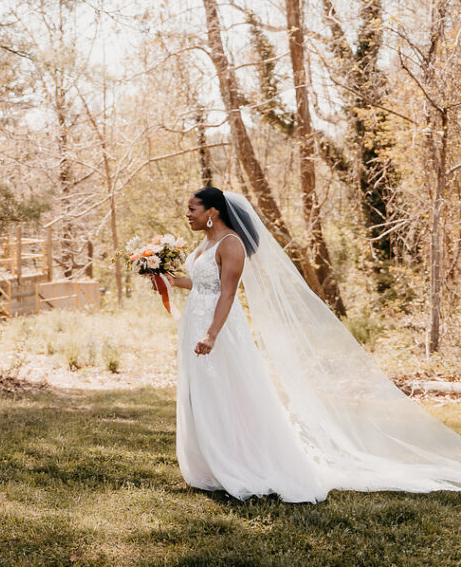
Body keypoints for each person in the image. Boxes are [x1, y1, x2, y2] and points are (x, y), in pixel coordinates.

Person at [160, 186, 461, 502]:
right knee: (201, 393)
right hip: (196, 322)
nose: (187, 214)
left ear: (213, 212)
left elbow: (228, 292)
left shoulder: (231, 243)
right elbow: (204, 283)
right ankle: (209, 463)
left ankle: (239, 462)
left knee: (224, 392)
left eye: (192, 208)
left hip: (218, 328)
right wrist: (171, 282)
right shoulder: (205, 242)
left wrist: (211, 334)